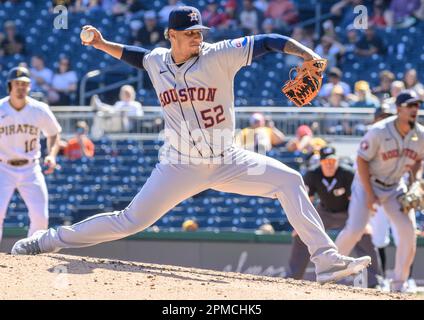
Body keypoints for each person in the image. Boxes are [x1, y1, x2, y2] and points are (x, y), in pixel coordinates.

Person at [12, 6, 371, 284]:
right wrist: (101, 43)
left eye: (199, 31)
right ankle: (47, 240)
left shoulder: (219, 54)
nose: (197, 37)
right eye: (189, 33)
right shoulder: (157, 61)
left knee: (290, 179)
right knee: (128, 222)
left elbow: (269, 40)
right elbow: (136, 56)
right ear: (171, 35)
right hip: (179, 165)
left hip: (228, 158)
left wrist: (305, 53)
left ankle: (326, 261)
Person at [335, 91, 424, 292]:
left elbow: (419, 159)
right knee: (355, 229)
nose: (414, 110)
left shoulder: (420, 134)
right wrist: (370, 194)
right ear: (399, 109)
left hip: (395, 187)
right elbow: (361, 160)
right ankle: (329, 269)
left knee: (408, 232)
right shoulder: (379, 131)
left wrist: (416, 180)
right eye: (410, 106)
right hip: (368, 183)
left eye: (417, 106)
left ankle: (399, 284)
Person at [287, 146, 382, 288]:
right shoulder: (313, 174)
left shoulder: (347, 173)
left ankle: (375, 283)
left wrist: (363, 222)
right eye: (326, 162)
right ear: (321, 162)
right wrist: (300, 224)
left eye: (332, 161)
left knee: (364, 234)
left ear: (337, 160)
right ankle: (293, 278)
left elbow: (358, 201)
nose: (329, 164)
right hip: (324, 211)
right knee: (302, 234)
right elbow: (306, 201)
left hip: (348, 211)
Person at [0, 66, 61, 245]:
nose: (21, 87)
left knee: (41, 217)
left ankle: (31, 253)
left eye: (24, 84)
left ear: (29, 87)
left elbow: (54, 133)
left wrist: (51, 155)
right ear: (9, 86)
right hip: (3, 167)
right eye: (17, 83)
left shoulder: (39, 109)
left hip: (31, 168)